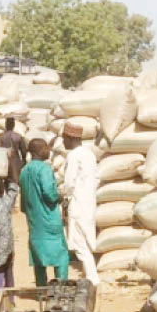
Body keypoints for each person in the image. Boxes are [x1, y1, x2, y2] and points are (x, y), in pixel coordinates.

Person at [20, 138, 69, 285]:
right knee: (61, 257)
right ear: (38, 151)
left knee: (38, 258)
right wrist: (59, 196)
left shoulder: (24, 171)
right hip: (49, 220)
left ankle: (42, 289)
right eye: (46, 148)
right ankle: (60, 288)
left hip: (34, 221)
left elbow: (23, 204)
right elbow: (49, 193)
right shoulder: (44, 169)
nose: (49, 151)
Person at [59, 121, 100, 287]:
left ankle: (92, 278)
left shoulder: (74, 155)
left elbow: (69, 183)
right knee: (86, 240)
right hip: (89, 202)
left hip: (77, 203)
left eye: (64, 138)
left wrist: (62, 198)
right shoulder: (89, 154)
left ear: (69, 138)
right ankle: (90, 274)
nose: (63, 142)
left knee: (79, 244)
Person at [0, 117, 28, 184]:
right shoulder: (18, 136)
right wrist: (24, 160)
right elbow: (23, 150)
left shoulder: (1, 137)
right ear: (13, 125)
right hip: (15, 161)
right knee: (15, 181)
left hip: (4, 162)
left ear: (5, 125)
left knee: (5, 181)